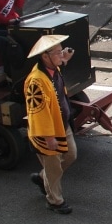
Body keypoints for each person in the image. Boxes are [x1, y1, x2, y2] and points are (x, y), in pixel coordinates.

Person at [24, 34, 77, 214]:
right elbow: (38, 113)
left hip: (62, 125)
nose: (61, 54)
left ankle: (42, 178)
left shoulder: (53, 69)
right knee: (53, 168)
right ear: (45, 56)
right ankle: (55, 200)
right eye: (57, 52)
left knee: (71, 155)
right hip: (49, 131)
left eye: (62, 50)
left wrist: (63, 59)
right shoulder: (36, 81)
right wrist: (48, 136)